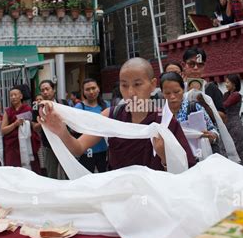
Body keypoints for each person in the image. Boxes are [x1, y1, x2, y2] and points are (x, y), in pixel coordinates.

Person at [39, 57, 196, 171]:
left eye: (137, 84)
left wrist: (164, 156)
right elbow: (78, 148)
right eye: (124, 85)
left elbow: (187, 169)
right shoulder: (111, 115)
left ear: (153, 84)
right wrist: (61, 131)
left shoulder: (165, 121)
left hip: (154, 196)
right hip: (119, 193)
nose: (131, 92)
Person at [160, 72, 219, 160]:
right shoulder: (161, 114)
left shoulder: (194, 107)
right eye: (167, 93)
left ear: (183, 89)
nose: (172, 97)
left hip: (198, 160)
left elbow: (214, 131)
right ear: (162, 93)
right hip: (173, 161)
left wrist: (211, 136)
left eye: (176, 92)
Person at [73, 78, 110, 173]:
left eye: (93, 88)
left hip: (104, 149)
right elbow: (74, 127)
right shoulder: (79, 107)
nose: (91, 91)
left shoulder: (106, 105)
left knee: (104, 177)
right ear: (83, 92)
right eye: (87, 89)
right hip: (86, 150)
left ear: (98, 89)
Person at [1, 86, 41, 173]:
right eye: (11, 95)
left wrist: (41, 123)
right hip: (12, 147)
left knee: (31, 171)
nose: (13, 97)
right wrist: (14, 124)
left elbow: (34, 126)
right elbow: (3, 130)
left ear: (21, 96)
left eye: (15, 95)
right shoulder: (8, 111)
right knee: (14, 172)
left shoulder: (28, 109)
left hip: (27, 144)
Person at [31, 80, 66, 179]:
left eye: (47, 89)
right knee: (51, 174)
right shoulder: (37, 107)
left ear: (53, 90)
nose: (45, 92)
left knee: (67, 173)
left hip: (64, 142)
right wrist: (44, 119)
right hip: (49, 144)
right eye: (42, 90)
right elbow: (35, 128)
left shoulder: (63, 103)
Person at [182, 47, 226, 121]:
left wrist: (205, 105)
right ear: (183, 65)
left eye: (200, 64)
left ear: (204, 66)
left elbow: (224, 118)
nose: (196, 68)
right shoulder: (178, 89)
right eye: (191, 64)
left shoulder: (211, 88)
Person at [223, 74, 243, 168]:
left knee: (238, 148)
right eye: (225, 82)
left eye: (228, 82)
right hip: (227, 124)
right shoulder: (226, 94)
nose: (225, 84)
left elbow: (224, 105)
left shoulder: (236, 95)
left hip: (234, 124)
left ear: (234, 83)